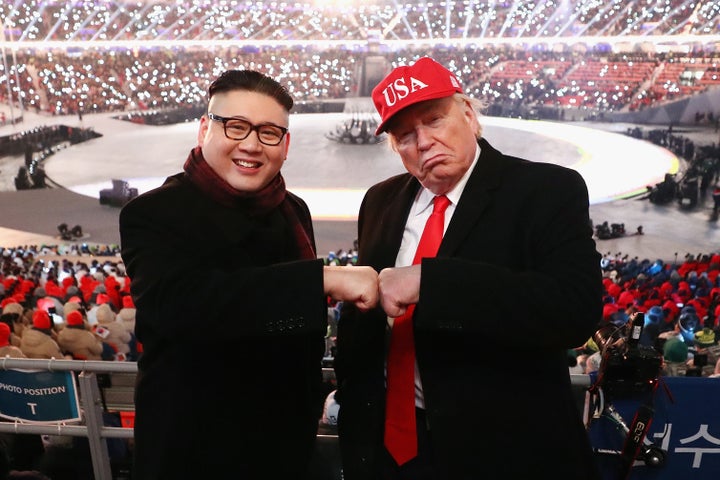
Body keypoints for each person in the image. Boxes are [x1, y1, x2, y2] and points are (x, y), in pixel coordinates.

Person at [334, 57, 603, 479]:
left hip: (501, 453)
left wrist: (431, 282)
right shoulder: (379, 201)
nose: (423, 142)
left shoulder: (546, 190)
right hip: (390, 449)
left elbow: (573, 311)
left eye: (435, 120)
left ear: (469, 115)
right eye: (405, 135)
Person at [118, 69, 378, 480]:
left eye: (269, 132)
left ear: (286, 144)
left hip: (286, 445)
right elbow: (181, 307)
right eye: (236, 126)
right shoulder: (154, 213)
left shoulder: (293, 209)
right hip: (195, 449)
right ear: (205, 128)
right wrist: (320, 280)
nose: (252, 145)